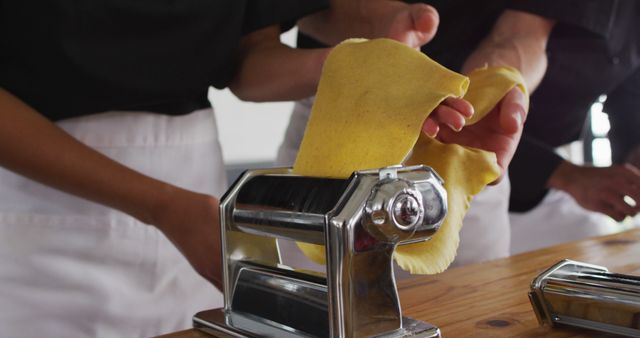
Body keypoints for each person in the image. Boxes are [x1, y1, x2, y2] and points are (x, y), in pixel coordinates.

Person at [0, 1, 473, 336]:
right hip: (40, 207)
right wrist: (163, 207)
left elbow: (249, 62)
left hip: (196, 196)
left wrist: (355, 65)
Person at [277, 0, 548, 268]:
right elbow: (289, 13)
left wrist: (494, 85)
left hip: (463, 132)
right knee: (320, 296)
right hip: (343, 109)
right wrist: (380, 25)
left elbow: (526, 31)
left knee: (470, 294)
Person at [507, 0, 640, 253]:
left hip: (543, 182)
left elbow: (627, 100)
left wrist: (635, 152)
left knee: (597, 246)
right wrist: (566, 175)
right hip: (456, 159)